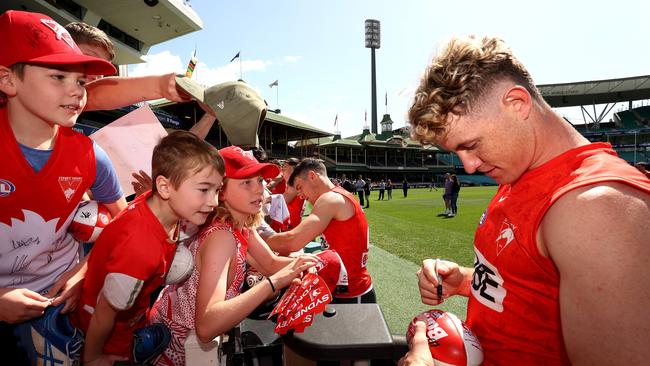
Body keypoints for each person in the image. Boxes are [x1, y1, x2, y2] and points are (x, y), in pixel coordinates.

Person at [401, 35, 650, 365]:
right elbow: (530, 285)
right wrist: (465, 281)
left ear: (517, 104)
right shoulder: (518, 169)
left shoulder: (597, 207)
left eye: (471, 145)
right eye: (457, 152)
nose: (469, 165)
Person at [0, 10, 126, 364]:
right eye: (58, 76)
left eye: (81, 82)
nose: (76, 91)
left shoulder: (90, 155)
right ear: (8, 80)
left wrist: (82, 273)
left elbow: (123, 223)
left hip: (60, 304)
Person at [148, 146, 316, 365]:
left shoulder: (242, 224)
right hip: (180, 352)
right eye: (247, 182)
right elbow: (206, 326)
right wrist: (271, 285)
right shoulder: (221, 237)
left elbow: (270, 263)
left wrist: (307, 264)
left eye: (260, 181)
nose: (259, 190)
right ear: (222, 191)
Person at [71, 131, 224, 365]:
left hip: (130, 318)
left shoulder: (155, 203)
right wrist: (92, 358)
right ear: (164, 187)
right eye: (204, 190)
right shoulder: (140, 249)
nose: (214, 202)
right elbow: (104, 314)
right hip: (111, 340)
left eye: (217, 190)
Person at [266, 159, 375, 303]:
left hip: (351, 294)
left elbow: (292, 241)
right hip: (347, 289)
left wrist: (255, 236)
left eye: (300, 187)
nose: (300, 195)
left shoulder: (330, 199)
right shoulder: (338, 196)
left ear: (312, 176)